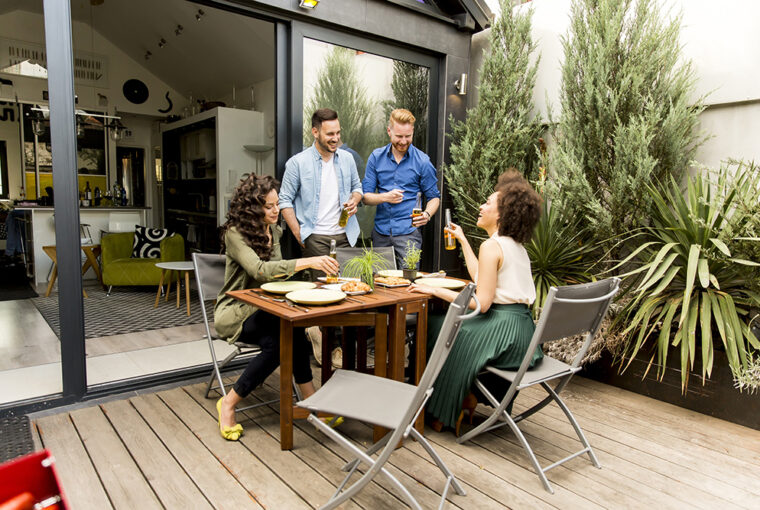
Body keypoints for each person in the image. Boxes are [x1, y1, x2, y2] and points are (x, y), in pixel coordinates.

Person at [408, 171, 543, 435]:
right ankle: (463, 399)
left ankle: (435, 407)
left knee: (435, 326)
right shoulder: (514, 246)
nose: (481, 206)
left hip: (501, 332)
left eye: (488, 203)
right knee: (445, 325)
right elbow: (482, 278)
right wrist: (463, 241)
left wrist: (431, 290)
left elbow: (480, 303)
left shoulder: (493, 247)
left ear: (502, 214)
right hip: (523, 334)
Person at [214, 174, 340, 441]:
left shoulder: (276, 232)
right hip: (236, 311)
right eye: (269, 206)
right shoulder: (235, 235)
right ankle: (228, 403)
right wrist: (306, 263)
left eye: (277, 204)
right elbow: (260, 272)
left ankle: (311, 403)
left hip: (267, 308)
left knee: (291, 330)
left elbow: (278, 279)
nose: (276, 211)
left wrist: (315, 280)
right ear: (252, 207)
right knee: (281, 340)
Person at [279, 108, 363, 276]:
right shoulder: (297, 163)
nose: (336, 138)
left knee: (351, 290)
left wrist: (355, 199)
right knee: (323, 294)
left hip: (347, 236)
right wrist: (300, 234)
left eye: (338, 133)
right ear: (315, 132)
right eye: (330, 134)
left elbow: (357, 187)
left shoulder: (347, 158)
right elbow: (285, 201)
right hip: (315, 238)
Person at [362, 108, 440, 269]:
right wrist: (385, 197)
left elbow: (434, 198)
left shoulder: (423, 162)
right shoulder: (376, 157)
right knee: (380, 283)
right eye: (399, 136)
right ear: (389, 131)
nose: (403, 141)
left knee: (409, 283)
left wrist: (427, 214)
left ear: (412, 132)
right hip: (380, 233)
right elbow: (366, 197)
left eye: (408, 136)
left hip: (409, 234)